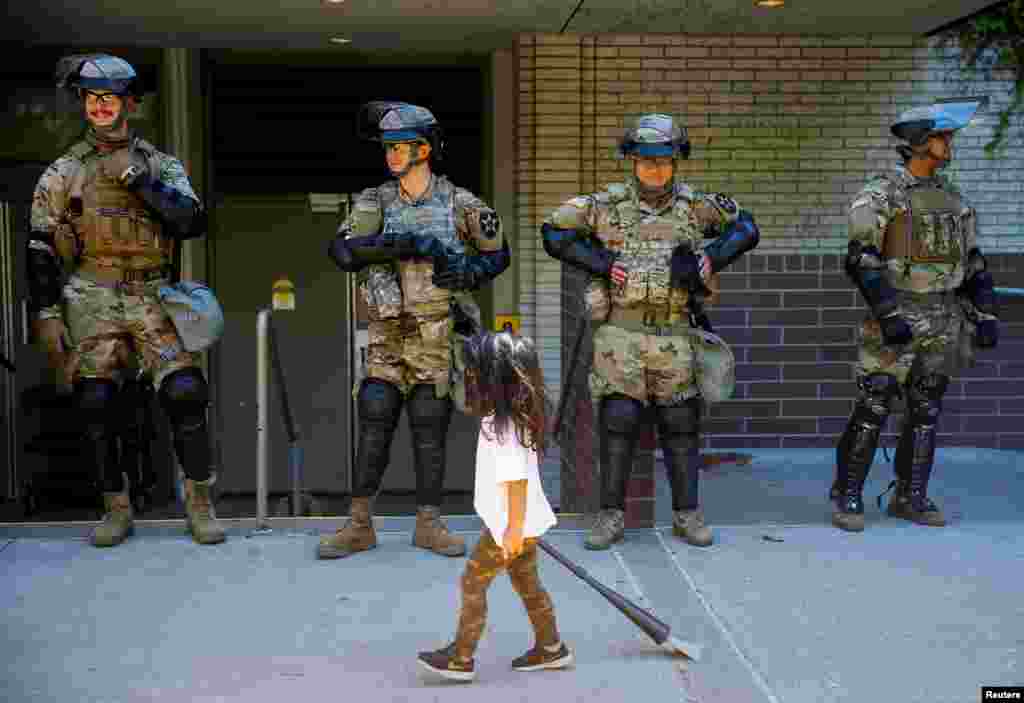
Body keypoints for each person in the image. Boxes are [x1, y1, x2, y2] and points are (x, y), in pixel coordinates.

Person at [27, 54, 224, 547]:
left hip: (153, 291)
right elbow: (40, 247)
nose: (99, 106)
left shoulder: (160, 163)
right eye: (92, 98)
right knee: (96, 402)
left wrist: (142, 181)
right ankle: (116, 507)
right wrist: (46, 313)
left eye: (109, 98)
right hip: (91, 291)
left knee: (184, 392)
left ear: (128, 104)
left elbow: (193, 222)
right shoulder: (65, 169)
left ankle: (200, 502)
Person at [541, 114, 759, 550]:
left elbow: (747, 228)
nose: (655, 169)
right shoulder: (605, 205)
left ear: (676, 161)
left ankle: (687, 515)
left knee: (681, 424)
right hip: (620, 334)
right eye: (646, 161)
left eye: (663, 160)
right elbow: (552, 231)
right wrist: (601, 263)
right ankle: (610, 517)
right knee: (617, 422)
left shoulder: (697, 206)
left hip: (676, 334)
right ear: (633, 162)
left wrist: (712, 257)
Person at [324, 102, 511, 559]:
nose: (390, 154)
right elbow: (343, 252)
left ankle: (429, 523)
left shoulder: (459, 202)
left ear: (424, 149)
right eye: (387, 147)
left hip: (436, 333)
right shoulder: (376, 200)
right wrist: (400, 244)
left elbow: (498, 255)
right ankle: (359, 524)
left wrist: (463, 270)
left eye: (399, 146)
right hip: (388, 333)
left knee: (430, 424)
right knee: (374, 415)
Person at [832, 99, 999, 532]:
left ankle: (911, 496)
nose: (950, 143)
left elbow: (974, 261)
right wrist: (887, 313)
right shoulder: (881, 193)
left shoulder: (953, 197)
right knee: (876, 402)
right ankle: (847, 494)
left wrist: (985, 314)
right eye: (943, 136)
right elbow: (862, 259)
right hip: (897, 311)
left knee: (926, 407)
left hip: (943, 314)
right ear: (921, 141)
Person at [417, 330, 571, 682]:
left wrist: (513, 529)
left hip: (508, 527)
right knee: (528, 584)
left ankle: (461, 657)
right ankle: (551, 648)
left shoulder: (501, 426)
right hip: (518, 524)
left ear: (494, 379)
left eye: (474, 371)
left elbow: (515, 480)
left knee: (473, 582)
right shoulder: (517, 417)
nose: (469, 376)